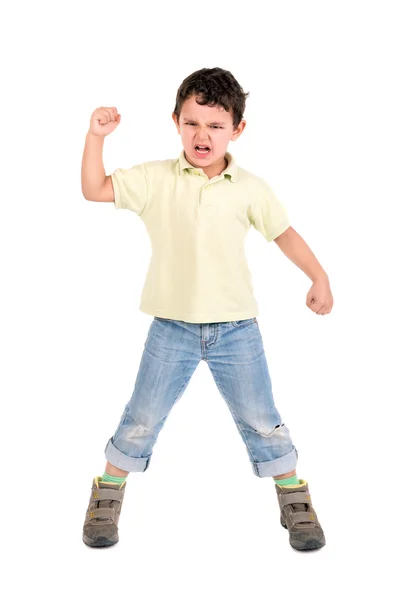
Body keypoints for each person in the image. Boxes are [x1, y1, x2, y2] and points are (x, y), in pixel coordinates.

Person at [80, 67, 333, 551]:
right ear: (175, 121)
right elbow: (94, 189)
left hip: (236, 329)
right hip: (171, 328)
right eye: (192, 123)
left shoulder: (249, 187)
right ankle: (108, 491)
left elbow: (284, 233)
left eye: (216, 126)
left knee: (262, 417)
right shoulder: (155, 178)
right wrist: (96, 137)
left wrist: (318, 276)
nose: (203, 135)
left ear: (237, 129)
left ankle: (293, 496)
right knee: (142, 416)